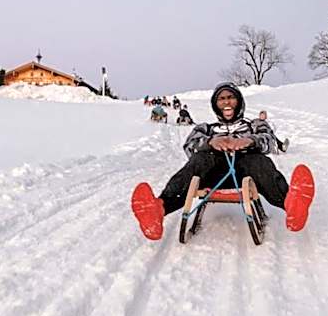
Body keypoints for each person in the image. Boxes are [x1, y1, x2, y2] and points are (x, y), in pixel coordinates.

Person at [131, 82, 314, 240]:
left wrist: (249, 141)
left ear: (239, 102)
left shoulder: (254, 125)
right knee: (198, 160)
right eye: (221, 99)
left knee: (259, 161)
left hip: (246, 173)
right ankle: (157, 210)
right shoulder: (206, 128)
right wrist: (210, 142)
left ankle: (292, 206)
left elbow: (270, 142)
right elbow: (189, 146)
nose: (226, 101)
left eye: (231, 97)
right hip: (212, 174)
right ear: (216, 104)